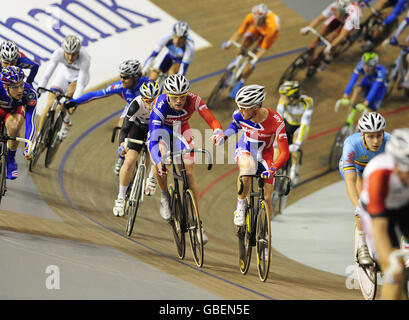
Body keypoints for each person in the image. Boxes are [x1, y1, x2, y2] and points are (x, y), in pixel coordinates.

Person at [148, 74, 223, 245]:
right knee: (162, 157)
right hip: (162, 132)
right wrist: (158, 161)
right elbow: (153, 138)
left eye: (183, 96)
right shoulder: (160, 104)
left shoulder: (194, 99)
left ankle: (197, 222)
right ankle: (165, 196)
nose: (180, 100)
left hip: (182, 131)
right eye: (175, 97)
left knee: (189, 173)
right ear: (167, 95)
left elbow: (211, 120)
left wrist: (218, 131)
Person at [216, 84, 289, 225]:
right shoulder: (239, 114)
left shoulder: (276, 121)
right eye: (239, 106)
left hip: (265, 155)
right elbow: (235, 125)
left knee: (267, 198)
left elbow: (284, 152)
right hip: (245, 148)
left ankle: (264, 234)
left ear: (256, 107)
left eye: (244, 107)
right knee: (248, 167)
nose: (240, 111)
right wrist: (224, 136)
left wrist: (273, 169)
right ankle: (241, 206)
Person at [63, 59, 151, 175]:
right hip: (132, 109)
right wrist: (76, 102)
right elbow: (96, 95)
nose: (122, 80)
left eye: (125, 77)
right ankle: (121, 156)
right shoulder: (120, 86)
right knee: (121, 127)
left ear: (135, 77)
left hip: (149, 112)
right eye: (121, 77)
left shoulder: (148, 85)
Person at [358, 128, 409, 299]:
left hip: (405, 205)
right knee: (395, 271)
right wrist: (390, 261)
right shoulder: (379, 175)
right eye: (407, 173)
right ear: (395, 165)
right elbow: (379, 228)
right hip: (378, 213)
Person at [339, 112, 390, 266]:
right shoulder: (351, 144)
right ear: (362, 135)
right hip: (356, 170)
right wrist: (357, 206)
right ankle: (362, 245)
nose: (375, 141)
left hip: (376, 170)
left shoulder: (390, 142)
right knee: (362, 203)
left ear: (383, 134)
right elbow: (350, 180)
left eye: (379, 136)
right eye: (371, 136)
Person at [113, 82, 161, 217]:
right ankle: (121, 198)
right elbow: (125, 128)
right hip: (138, 129)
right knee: (129, 162)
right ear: (142, 99)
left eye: (154, 101)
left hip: (155, 129)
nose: (151, 105)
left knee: (157, 154)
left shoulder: (164, 105)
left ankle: (151, 178)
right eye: (147, 101)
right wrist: (122, 144)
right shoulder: (136, 104)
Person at [36, 35, 90, 141]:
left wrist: (74, 102)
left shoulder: (85, 59)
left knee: (70, 100)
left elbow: (80, 85)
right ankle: (39, 135)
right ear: (63, 51)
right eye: (68, 54)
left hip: (78, 79)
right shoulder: (58, 53)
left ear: (78, 52)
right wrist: (40, 88)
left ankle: (66, 122)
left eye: (73, 54)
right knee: (50, 104)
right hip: (64, 75)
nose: (70, 58)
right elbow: (47, 74)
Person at [222, 4, 280, 98]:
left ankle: (240, 82)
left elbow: (263, 48)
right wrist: (229, 42)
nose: (257, 20)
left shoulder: (272, 26)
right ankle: (236, 62)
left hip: (269, 35)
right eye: (255, 18)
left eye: (259, 19)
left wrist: (254, 60)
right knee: (245, 43)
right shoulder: (250, 17)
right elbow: (239, 33)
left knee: (252, 58)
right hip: (256, 29)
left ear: (264, 18)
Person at [299, 0, 361, 74]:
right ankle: (309, 53)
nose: (337, 15)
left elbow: (341, 36)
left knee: (332, 42)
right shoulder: (334, 6)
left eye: (339, 14)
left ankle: (322, 61)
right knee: (321, 34)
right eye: (337, 12)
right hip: (340, 18)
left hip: (349, 23)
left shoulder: (353, 17)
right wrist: (308, 28)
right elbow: (319, 19)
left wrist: (330, 47)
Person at [274, 81, 313, 186]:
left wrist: (298, 144)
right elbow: (278, 119)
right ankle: (273, 173)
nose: (282, 98)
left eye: (284, 95)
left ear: (291, 97)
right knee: (276, 149)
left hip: (299, 128)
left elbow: (305, 123)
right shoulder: (283, 102)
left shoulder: (307, 102)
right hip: (287, 124)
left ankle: (294, 171)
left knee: (295, 146)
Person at [0, 66, 37, 179]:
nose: (20, 90)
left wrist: (27, 146)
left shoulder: (29, 93)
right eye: (15, 87)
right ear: (6, 87)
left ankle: (11, 157)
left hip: (14, 111)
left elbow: (30, 121)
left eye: (21, 84)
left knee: (15, 125)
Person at [335, 52, 387, 125]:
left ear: (374, 66)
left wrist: (366, 102)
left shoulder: (381, 71)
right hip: (367, 83)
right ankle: (349, 120)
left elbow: (374, 88)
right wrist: (345, 95)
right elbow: (353, 80)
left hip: (378, 90)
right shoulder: (360, 65)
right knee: (356, 90)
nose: (365, 68)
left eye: (369, 66)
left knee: (369, 112)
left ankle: (363, 128)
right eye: (364, 64)